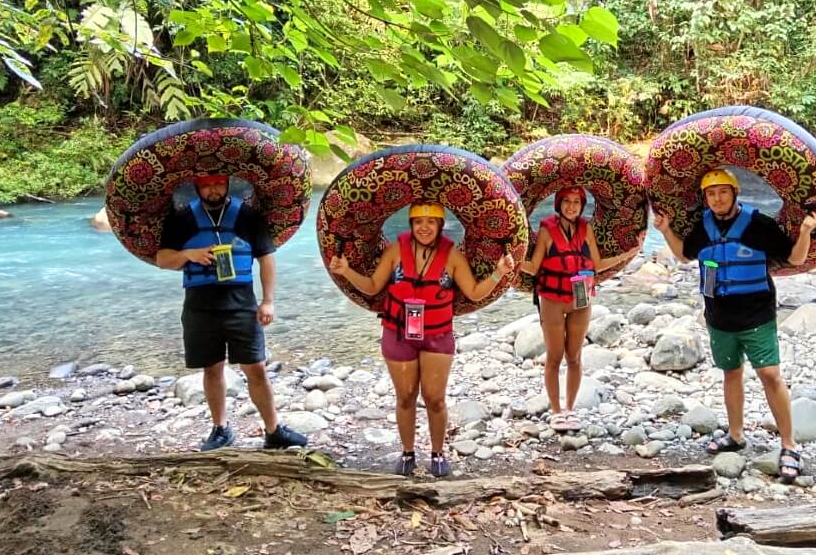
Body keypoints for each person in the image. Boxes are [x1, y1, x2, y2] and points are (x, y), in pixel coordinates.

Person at [652, 168, 816, 482]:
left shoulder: (759, 224)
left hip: (757, 313)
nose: (717, 199)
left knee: (770, 374)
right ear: (705, 198)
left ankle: (789, 444)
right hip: (719, 314)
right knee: (731, 372)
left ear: (734, 194)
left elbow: (795, 258)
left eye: (723, 192)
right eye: (711, 194)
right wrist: (664, 230)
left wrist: (806, 230)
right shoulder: (702, 227)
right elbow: (684, 256)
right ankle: (736, 435)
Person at [329, 203, 515, 477]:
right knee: (405, 397)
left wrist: (499, 272)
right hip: (398, 332)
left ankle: (438, 453)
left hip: (437, 335)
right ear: (411, 224)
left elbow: (475, 293)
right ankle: (407, 452)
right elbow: (371, 286)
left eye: (431, 222)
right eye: (418, 222)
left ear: (440, 225)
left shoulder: (451, 255)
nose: (424, 227)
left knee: (435, 398)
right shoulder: (395, 251)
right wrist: (345, 271)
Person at [156, 173, 307, 452]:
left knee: (256, 368)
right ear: (197, 188)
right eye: (206, 185)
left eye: (218, 184)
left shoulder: (247, 215)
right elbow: (162, 259)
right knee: (212, 368)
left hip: (241, 302)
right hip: (199, 305)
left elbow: (266, 259)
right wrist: (189, 255)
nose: (213, 190)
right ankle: (220, 428)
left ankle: (273, 430)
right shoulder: (182, 218)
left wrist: (268, 301)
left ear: (226, 184)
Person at [519, 186, 641, 431]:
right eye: (567, 201)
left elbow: (596, 264)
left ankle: (570, 410)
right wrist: (508, 265)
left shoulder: (586, 229)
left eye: (577, 202)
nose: (572, 206)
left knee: (574, 357)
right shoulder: (547, 230)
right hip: (552, 300)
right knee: (554, 357)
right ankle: (555, 411)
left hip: (581, 301)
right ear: (559, 204)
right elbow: (533, 267)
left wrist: (630, 253)